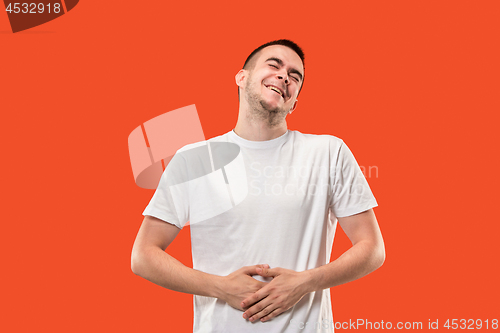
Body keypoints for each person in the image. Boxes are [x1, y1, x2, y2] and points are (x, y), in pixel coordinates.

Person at [131, 39, 385, 333]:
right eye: (274, 65)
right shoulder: (195, 159)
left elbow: (372, 248)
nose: (285, 76)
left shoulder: (328, 152)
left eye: (295, 76)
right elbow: (144, 256)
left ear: (294, 101)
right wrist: (221, 287)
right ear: (242, 77)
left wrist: (305, 282)